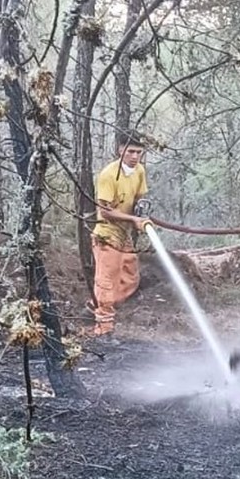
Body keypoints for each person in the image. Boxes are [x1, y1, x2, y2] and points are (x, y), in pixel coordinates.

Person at [90, 130, 151, 339]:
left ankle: (97, 304)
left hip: (123, 234)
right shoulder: (109, 175)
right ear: (120, 150)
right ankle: (103, 329)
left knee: (130, 276)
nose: (135, 157)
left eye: (139, 153)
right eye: (131, 152)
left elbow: (139, 198)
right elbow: (104, 210)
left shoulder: (139, 171)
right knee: (106, 281)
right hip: (106, 235)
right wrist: (133, 220)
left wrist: (141, 214)